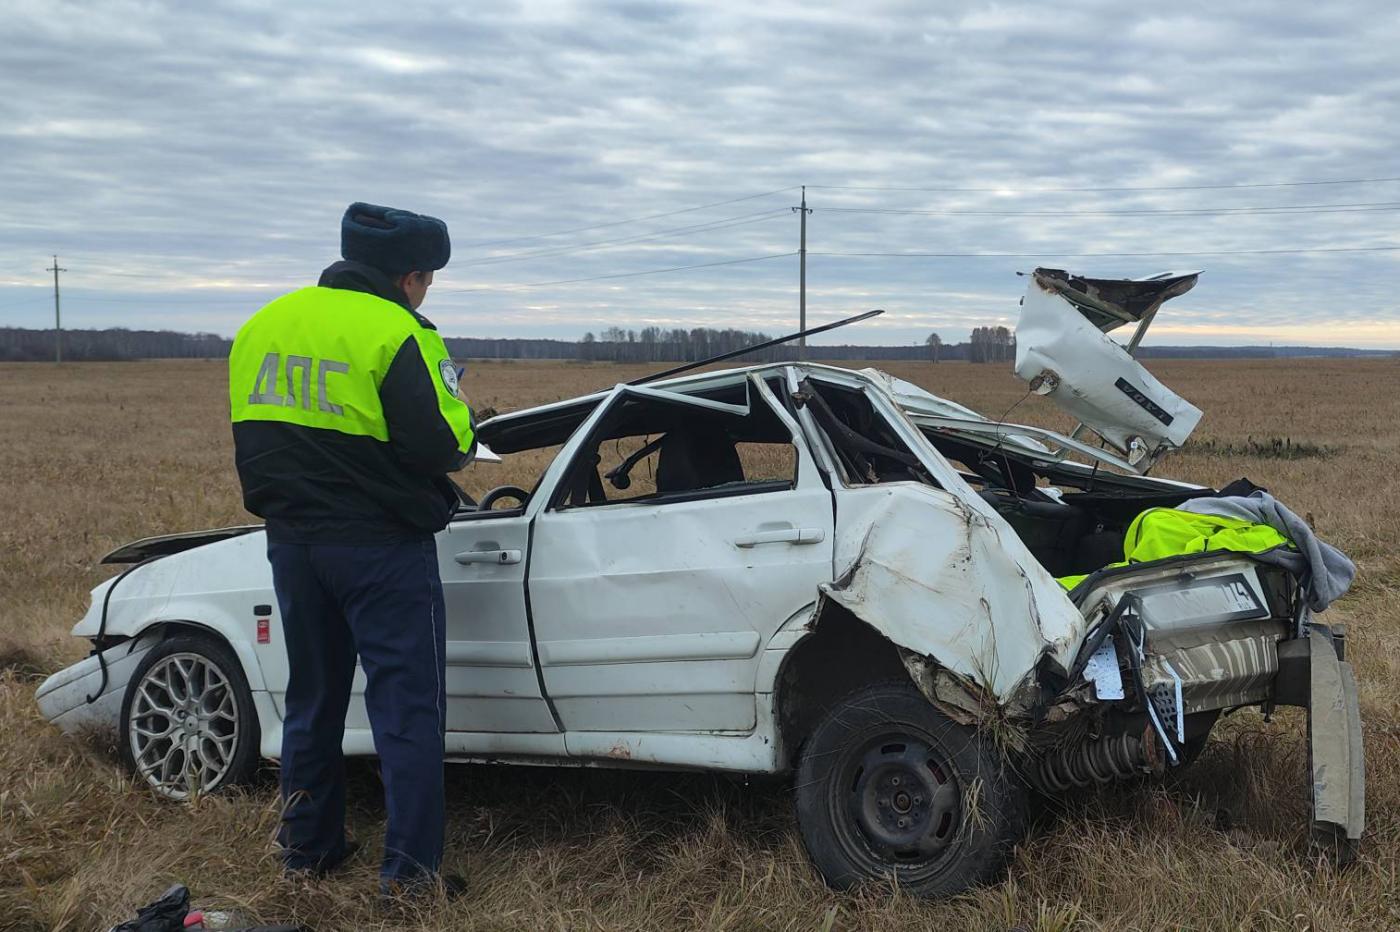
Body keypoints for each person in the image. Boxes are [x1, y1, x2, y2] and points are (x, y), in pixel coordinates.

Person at [227, 202, 474, 898]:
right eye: (428, 280)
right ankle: (411, 877)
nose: (427, 292)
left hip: (294, 544)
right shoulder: (399, 332)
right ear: (412, 275)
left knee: (312, 699)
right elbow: (444, 444)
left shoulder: (262, 326)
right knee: (406, 710)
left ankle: (308, 851)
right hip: (381, 548)